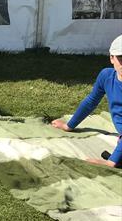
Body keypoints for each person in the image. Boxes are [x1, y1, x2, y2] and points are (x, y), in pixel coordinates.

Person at [51, 34, 122, 168]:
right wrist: (69, 126)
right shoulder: (106, 76)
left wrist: (111, 162)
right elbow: (91, 101)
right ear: (112, 58)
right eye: (121, 58)